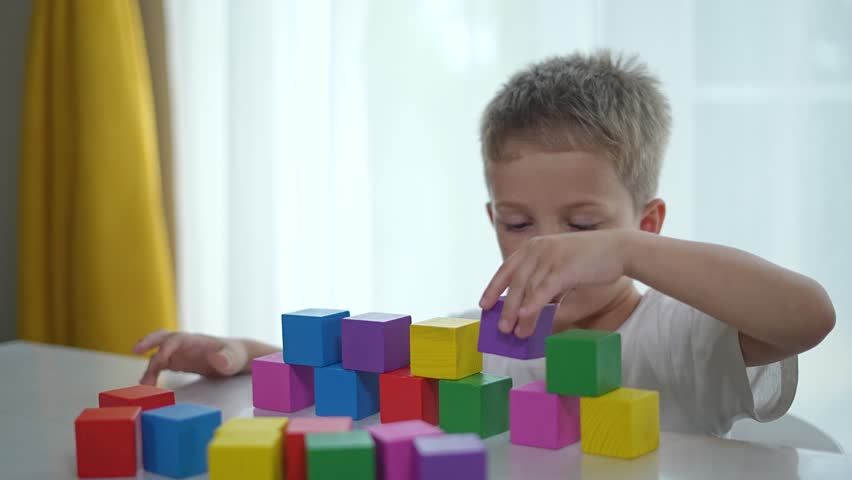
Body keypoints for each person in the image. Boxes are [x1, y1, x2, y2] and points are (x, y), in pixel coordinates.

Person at [134, 50, 835, 435]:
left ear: (646, 223)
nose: (549, 249)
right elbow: (352, 371)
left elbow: (808, 316)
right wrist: (235, 355)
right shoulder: (482, 340)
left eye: (584, 226)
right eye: (518, 223)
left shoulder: (677, 336)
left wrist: (624, 256)